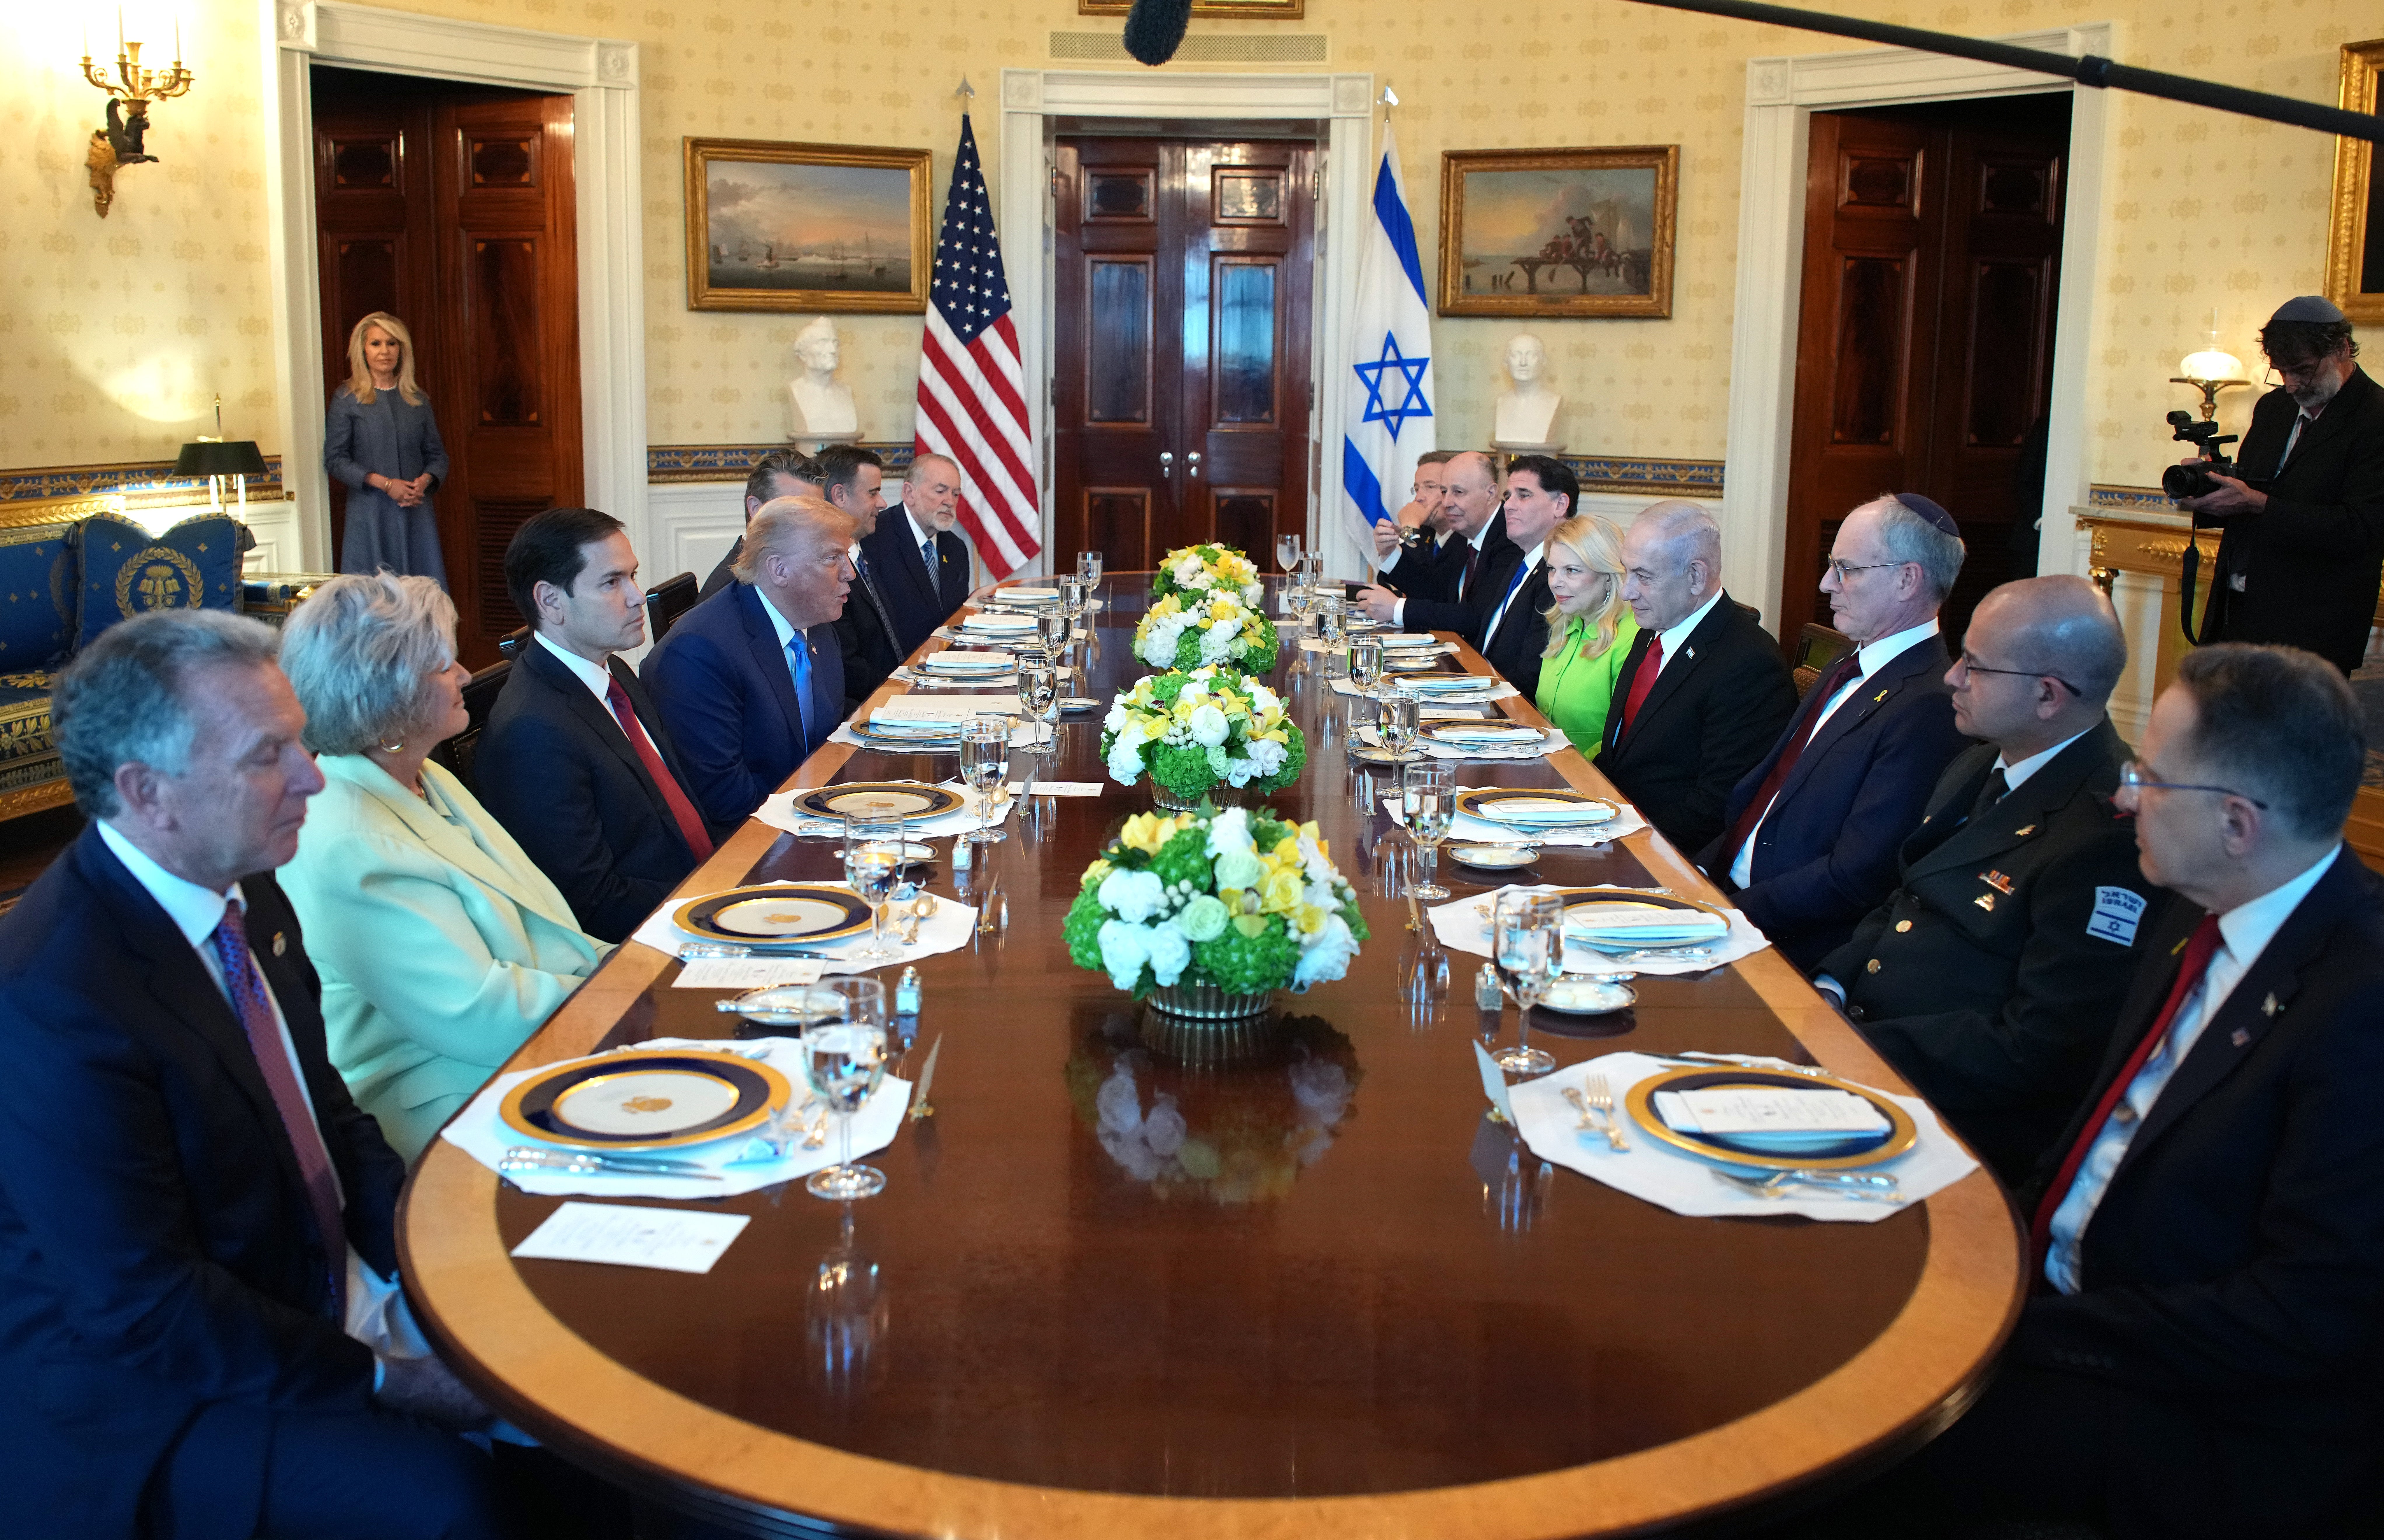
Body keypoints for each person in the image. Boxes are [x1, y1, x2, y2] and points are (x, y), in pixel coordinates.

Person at [0, 609, 504, 1539]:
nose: (313, 775)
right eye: (270, 754)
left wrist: (438, 1273)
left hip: (304, 1279)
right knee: (454, 1501)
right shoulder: (53, 993)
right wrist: (394, 1376)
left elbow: (331, 1115)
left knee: (557, 1354)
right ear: (148, 792)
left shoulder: (245, 879)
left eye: (300, 741)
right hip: (151, 1391)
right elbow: (148, 1305)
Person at [1875, 642, 2384, 1538]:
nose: (2120, 796)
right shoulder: (2191, 902)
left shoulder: (2360, 999)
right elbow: (2093, 1144)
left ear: (2235, 823)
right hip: (2055, 1290)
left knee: (1847, 1441)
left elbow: (2305, 1312)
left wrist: (2015, 1328)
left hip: (2190, 1407)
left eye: (2147, 777)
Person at [1816, 575, 2150, 1181]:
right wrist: (1829, 988)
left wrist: (1857, 1048)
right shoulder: (1980, 760)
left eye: (1974, 666)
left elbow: (2039, 1048)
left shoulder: (2104, 835)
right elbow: (1905, 896)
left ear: (2047, 695)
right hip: (1867, 1049)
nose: (1952, 677)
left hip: (1956, 1122)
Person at [275, 574, 612, 1162]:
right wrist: (626, 991)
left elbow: (542, 923)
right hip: (446, 1102)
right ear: (386, 698)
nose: (463, 676)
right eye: (442, 667)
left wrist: (639, 966)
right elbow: (478, 1014)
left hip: (522, 1048)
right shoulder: (347, 841)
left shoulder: (424, 774)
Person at [1696, 494, 1971, 968]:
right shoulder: (1847, 663)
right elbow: (1767, 793)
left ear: (1907, 580)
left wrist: (1726, 914)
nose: (1826, 584)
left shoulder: (1928, 706)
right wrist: (1695, 874)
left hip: (1789, 941)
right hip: (1729, 899)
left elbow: (1856, 876)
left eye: (1846, 569)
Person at [476, 507, 715, 945]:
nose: (637, 597)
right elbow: (591, 903)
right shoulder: (532, 732)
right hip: (650, 941)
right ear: (551, 601)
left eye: (632, 576)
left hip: (700, 888)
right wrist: (714, 901)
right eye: (611, 582)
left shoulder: (613, 670)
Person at [2180, 296, 2384, 674]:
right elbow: (2254, 489)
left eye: (2302, 370)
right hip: (2236, 611)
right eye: (2281, 371)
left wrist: (2258, 504)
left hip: (2311, 628)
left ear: (2341, 349)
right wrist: (2209, 490)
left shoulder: (2375, 417)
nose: (2291, 385)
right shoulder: (2274, 407)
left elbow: (2361, 528)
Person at [1593, 501, 1796, 854]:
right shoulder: (1654, 627)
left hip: (1665, 854)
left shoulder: (1750, 663)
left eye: (1644, 576)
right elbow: (1619, 759)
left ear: (1695, 577)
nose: (1627, 592)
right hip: (1615, 826)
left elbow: (1717, 807)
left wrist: (1620, 846)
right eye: (1628, 572)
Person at [645, 497, 855, 830]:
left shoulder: (816, 625)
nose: (850, 573)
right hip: (753, 838)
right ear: (779, 570)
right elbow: (726, 799)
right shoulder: (699, 653)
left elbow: (825, 742)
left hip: (812, 814)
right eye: (833, 558)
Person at [324, 310, 450, 584]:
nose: (385, 351)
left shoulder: (417, 400)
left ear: (402, 350)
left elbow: (438, 456)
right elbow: (335, 459)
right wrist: (386, 484)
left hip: (416, 511)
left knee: (420, 594)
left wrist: (424, 481)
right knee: (371, 596)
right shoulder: (347, 399)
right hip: (370, 512)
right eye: (376, 343)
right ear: (363, 350)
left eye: (392, 343)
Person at [1353, 451, 1519, 634]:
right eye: (1444, 492)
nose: (1446, 502)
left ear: (1491, 494)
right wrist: (1390, 553)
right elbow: (1436, 596)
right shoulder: (1464, 533)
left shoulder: (1511, 537)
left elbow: (1478, 617)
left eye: (1458, 492)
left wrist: (1399, 609)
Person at [1532, 513, 1640, 749]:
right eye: (1552, 569)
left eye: (1571, 570)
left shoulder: (1633, 640)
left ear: (1609, 578)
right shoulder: (1567, 624)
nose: (1555, 582)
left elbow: (1625, 742)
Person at [1476, 453, 1575, 697]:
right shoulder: (1520, 562)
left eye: (1523, 495)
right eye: (1508, 496)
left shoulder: (1560, 578)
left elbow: (1531, 675)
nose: (1508, 505)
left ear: (1560, 505)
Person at [817, 445, 905, 707]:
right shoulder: (828, 571)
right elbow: (849, 667)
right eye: (873, 493)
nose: (883, 503)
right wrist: (904, 692)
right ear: (840, 495)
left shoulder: (864, 552)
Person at [861, 451, 973, 656]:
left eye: (956, 494)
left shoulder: (955, 548)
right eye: (941, 491)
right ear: (909, 493)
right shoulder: (874, 539)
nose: (950, 501)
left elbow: (954, 621)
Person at [699, 449, 821, 602]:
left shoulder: (796, 566)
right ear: (756, 509)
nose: (816, 524)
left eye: (820, 512)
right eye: (796, 510)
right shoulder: (733, 592)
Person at [1366, 448, 1460, 587]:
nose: (1419, 498)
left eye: (1430, 487)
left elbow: (1425, 587)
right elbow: (1390, 585)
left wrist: (1409, 530)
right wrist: (1389, 552)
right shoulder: (1425, 532)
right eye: (1417, 489)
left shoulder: (1465, 539)